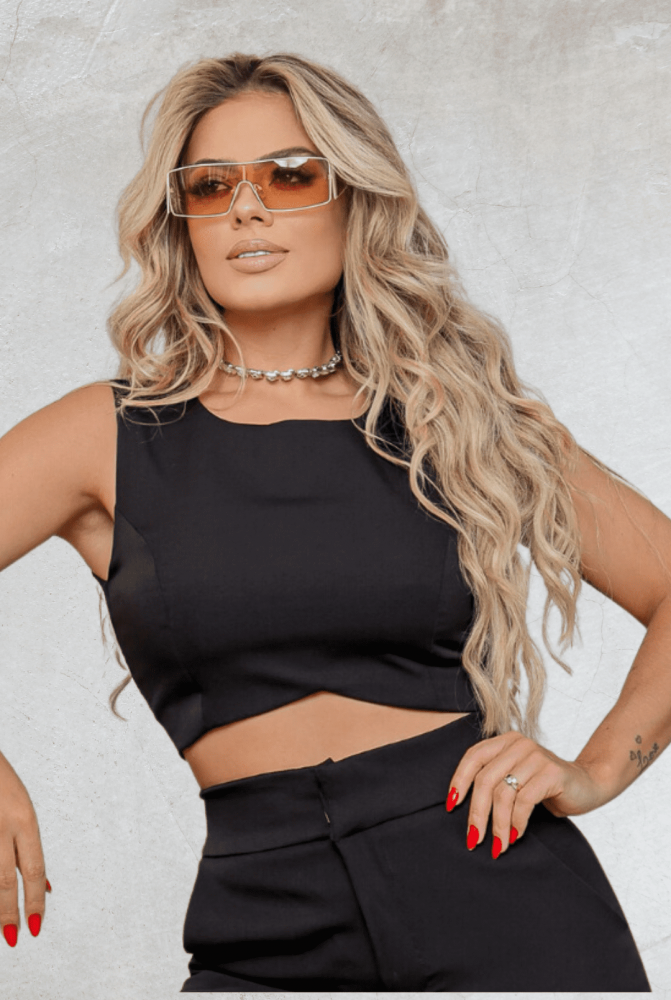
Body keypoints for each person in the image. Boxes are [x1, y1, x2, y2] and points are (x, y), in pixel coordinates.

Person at [0, 51, 666, 992]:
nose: (246, 208)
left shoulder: (456, 416)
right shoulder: (103, 436)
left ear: (355, 199)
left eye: (288, 174)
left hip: (501, 898)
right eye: (210, 185)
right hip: (258, 918)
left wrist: (594, 773)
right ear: (180, 220)